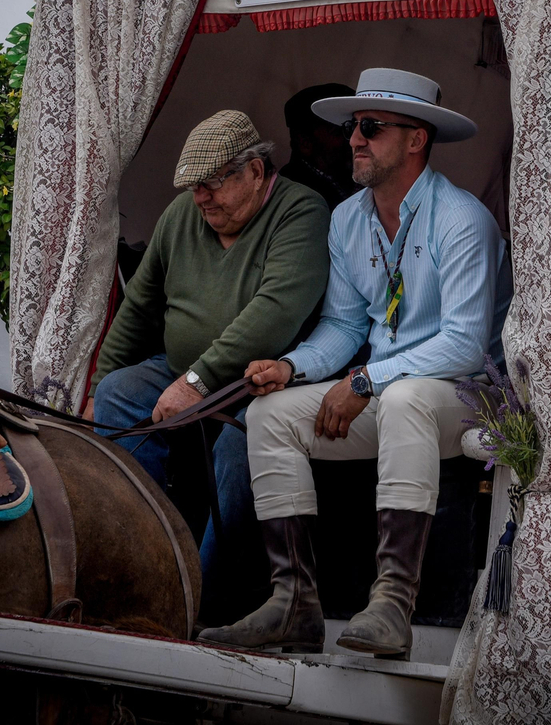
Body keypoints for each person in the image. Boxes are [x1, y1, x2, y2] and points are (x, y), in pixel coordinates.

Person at [199, 69, 512, 658]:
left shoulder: (463, 220)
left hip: (467, 398)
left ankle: (393, 602)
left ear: (417, 139)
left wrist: (366, 380)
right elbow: (344, 327)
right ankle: (294, 603)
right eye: (351, 127)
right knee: (270, 415)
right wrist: (291, 367)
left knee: (406, 397)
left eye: (371, 127)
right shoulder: (347, 220)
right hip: (389, 396)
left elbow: (467, 344)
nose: (353, 140)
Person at [88, 109, 330, 611]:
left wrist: (198, 379)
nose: (200, 197)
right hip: (183, 369)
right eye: (194, 186)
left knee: (243, 444)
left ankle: (202, 592)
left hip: (264, 381)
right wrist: (97, 386)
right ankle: (148, 554)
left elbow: (275, 313)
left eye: (213, 183)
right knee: (118, 395)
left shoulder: (301, 211)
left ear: (257, 173)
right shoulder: (183, 215)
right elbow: (140, 306)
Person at [279, 82, 358, 208]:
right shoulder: (293, 197)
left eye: (353, 128)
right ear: (305, 142)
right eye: (339, 131)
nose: (354, 139)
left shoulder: (353, 175)